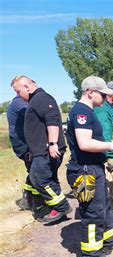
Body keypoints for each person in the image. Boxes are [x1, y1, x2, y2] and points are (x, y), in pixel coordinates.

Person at [65, 76, 113, 257]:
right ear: (90, 92)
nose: (104, 97)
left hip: (93, 168)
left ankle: (110, 240)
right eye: (102, 94)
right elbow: (84, 143)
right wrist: (111, 146)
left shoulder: (88, 111)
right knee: (92, 213)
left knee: (104, 207)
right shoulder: (81, 113)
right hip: (85, 171)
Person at [11, 75, 72, 224]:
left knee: (39, 179)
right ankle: (57, 209)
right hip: (40, 150)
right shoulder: (36, 100)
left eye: (18, 91)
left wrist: (52, 143)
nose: (18, 95)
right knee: (48, 179)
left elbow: (52, 119)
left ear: (27, 86)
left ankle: (61, 206)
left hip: (45, 150)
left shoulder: (41, 98)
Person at [6, 94, 33, 210]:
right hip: (24, 146)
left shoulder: (19, 102)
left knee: (34, 170)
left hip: (25, 144)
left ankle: (27, 200)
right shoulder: (19, 103)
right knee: (36, 171)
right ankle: (29, 200)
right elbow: (33, 115)